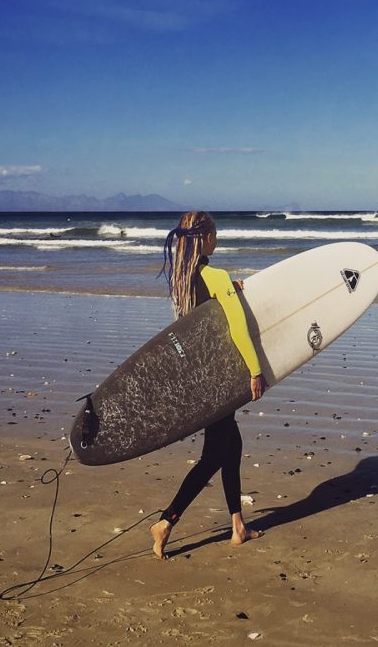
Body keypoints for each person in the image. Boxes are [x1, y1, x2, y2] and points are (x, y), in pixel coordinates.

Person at [149, 211, 266, 559]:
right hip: (217, 380)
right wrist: (255, 370)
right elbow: (237, 328)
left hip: (196, 378)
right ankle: (166, 522)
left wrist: (233, 292)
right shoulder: (217, 276)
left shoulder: (180, 283)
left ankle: (238, 527)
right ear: (205, 238)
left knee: (230, 445)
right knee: (214, 454)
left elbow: (200, 325)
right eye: (215, 233)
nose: (217, 238)